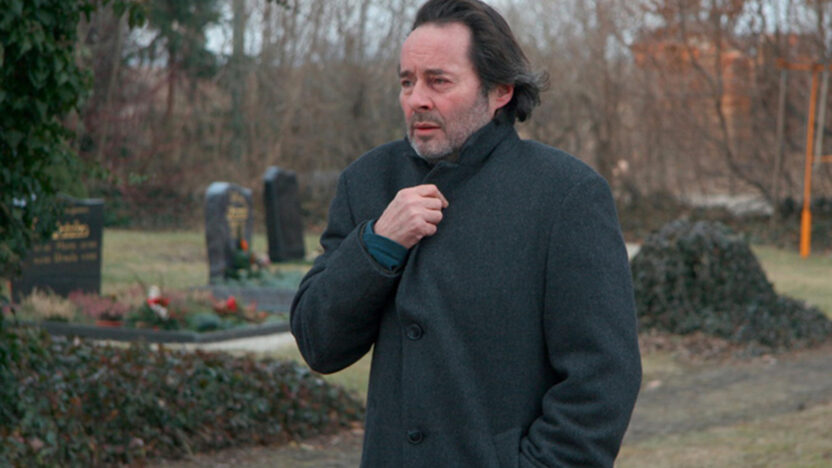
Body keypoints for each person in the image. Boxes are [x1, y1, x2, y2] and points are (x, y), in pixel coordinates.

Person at [290, 0, 642, 466]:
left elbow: (603, 377)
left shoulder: (566, 194)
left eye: (438, 81)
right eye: (407, 82)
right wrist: (377, 244)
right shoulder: (367, 182)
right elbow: (319, 343)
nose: (417, 99)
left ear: (500, 91)